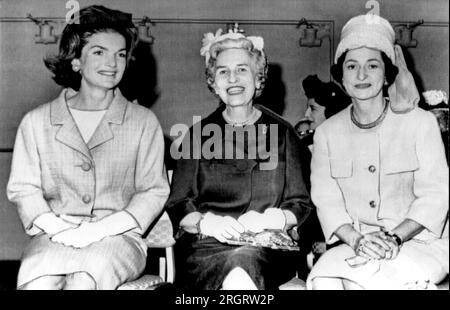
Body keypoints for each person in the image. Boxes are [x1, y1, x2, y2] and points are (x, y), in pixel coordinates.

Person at [7, 5, 170, 290]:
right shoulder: (36, 122)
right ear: (76, 61)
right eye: (99, 52)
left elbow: (153, 191)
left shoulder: (144, 122)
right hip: (54, 236)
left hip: (119, 238)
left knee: (85, 279)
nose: (112, 63)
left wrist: (99, 230)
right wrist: (58, 228)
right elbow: (23, 189)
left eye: (120, 54)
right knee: (38, 280)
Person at [307, 14, 449, 290]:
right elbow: (327, 200)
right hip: (356, 243)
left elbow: (436, 195)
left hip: (417, 243)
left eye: (372, 65)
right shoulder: (326, 133)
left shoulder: (421, 123)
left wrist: (394, 238)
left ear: (387, 74)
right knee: (324, 281)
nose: (361, 76)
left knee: (366, 284)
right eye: (351, 66)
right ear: (341, 76)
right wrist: (358, 240)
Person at [165, 28, 311, 290]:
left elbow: (301, 204)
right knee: (237, 268)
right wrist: (206, 223)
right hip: (205, 247)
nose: (233, 78)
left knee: (244, 263)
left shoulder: (284, 134)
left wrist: (272, 220)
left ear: (258, 78)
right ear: (213, 82)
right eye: (223, 71)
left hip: (268, 246)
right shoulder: (196, 136)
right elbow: (178, 204)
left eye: (242, 69)